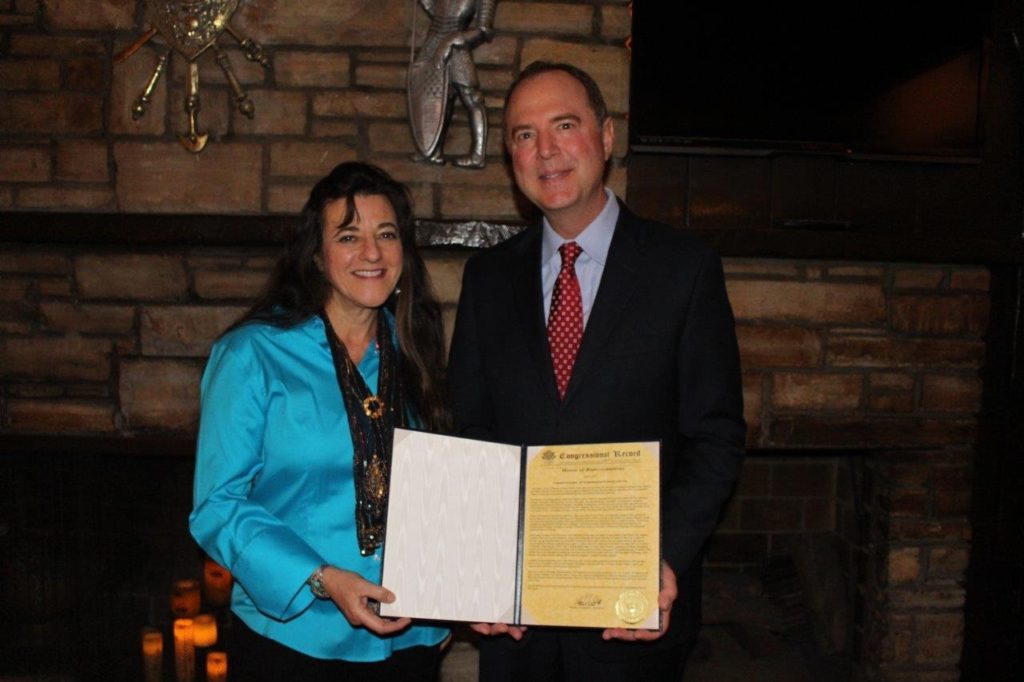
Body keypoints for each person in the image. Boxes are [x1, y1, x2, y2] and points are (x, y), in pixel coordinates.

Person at [447, 62, 746, 680]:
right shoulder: (487, 278)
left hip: (631, 620)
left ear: (607, 137)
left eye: (564, 125)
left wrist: (661, 559)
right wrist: (477, 568)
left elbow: (715, 436)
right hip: (516, 626)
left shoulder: (683, 270)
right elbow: (470, 432)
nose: (546, 151)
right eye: (524, 135)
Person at [190, 162, 450, 681]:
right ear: (316, 254)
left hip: (413, 639)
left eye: (386, 234)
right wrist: (324, 579)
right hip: (296, 641)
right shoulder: (251, 356)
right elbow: (217, 506)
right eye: (349, 236)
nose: (371, 252)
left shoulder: (417, 349)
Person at [409, 0, 496, 168]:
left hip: (456, 47)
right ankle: (433, 150)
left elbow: (483, 30)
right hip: (433, 42)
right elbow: (437, 13)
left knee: (472, 98)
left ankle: (477, 155)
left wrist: (454, 40)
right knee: (439, 97)